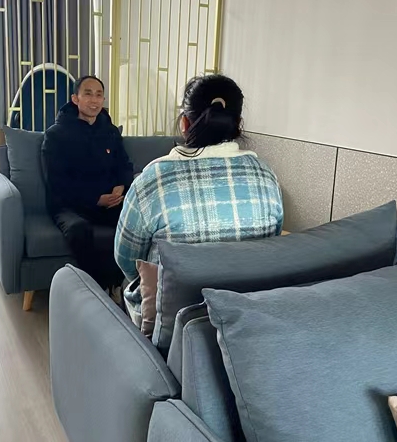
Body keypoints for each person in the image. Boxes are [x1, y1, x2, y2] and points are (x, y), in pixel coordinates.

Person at [115, 74, 284, 281]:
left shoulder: (152, 181)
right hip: (248, 299)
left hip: (172, 301)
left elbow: (127, 259)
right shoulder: (266, 176)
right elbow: (272, 241)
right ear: (238, 124)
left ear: (184, 123)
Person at [42, 75, 134, 289]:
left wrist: (121, 186)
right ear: (75, 99)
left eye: (99, 95)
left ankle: (122, 284)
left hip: (110, 202)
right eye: (88, 94)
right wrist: (95, 199)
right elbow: (57, 182)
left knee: (136, 218)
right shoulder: (56, 135)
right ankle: (97, 290)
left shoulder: (109, 131)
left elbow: (124, 164)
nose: (94, 100)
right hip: (70, 205)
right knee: (78, 229)